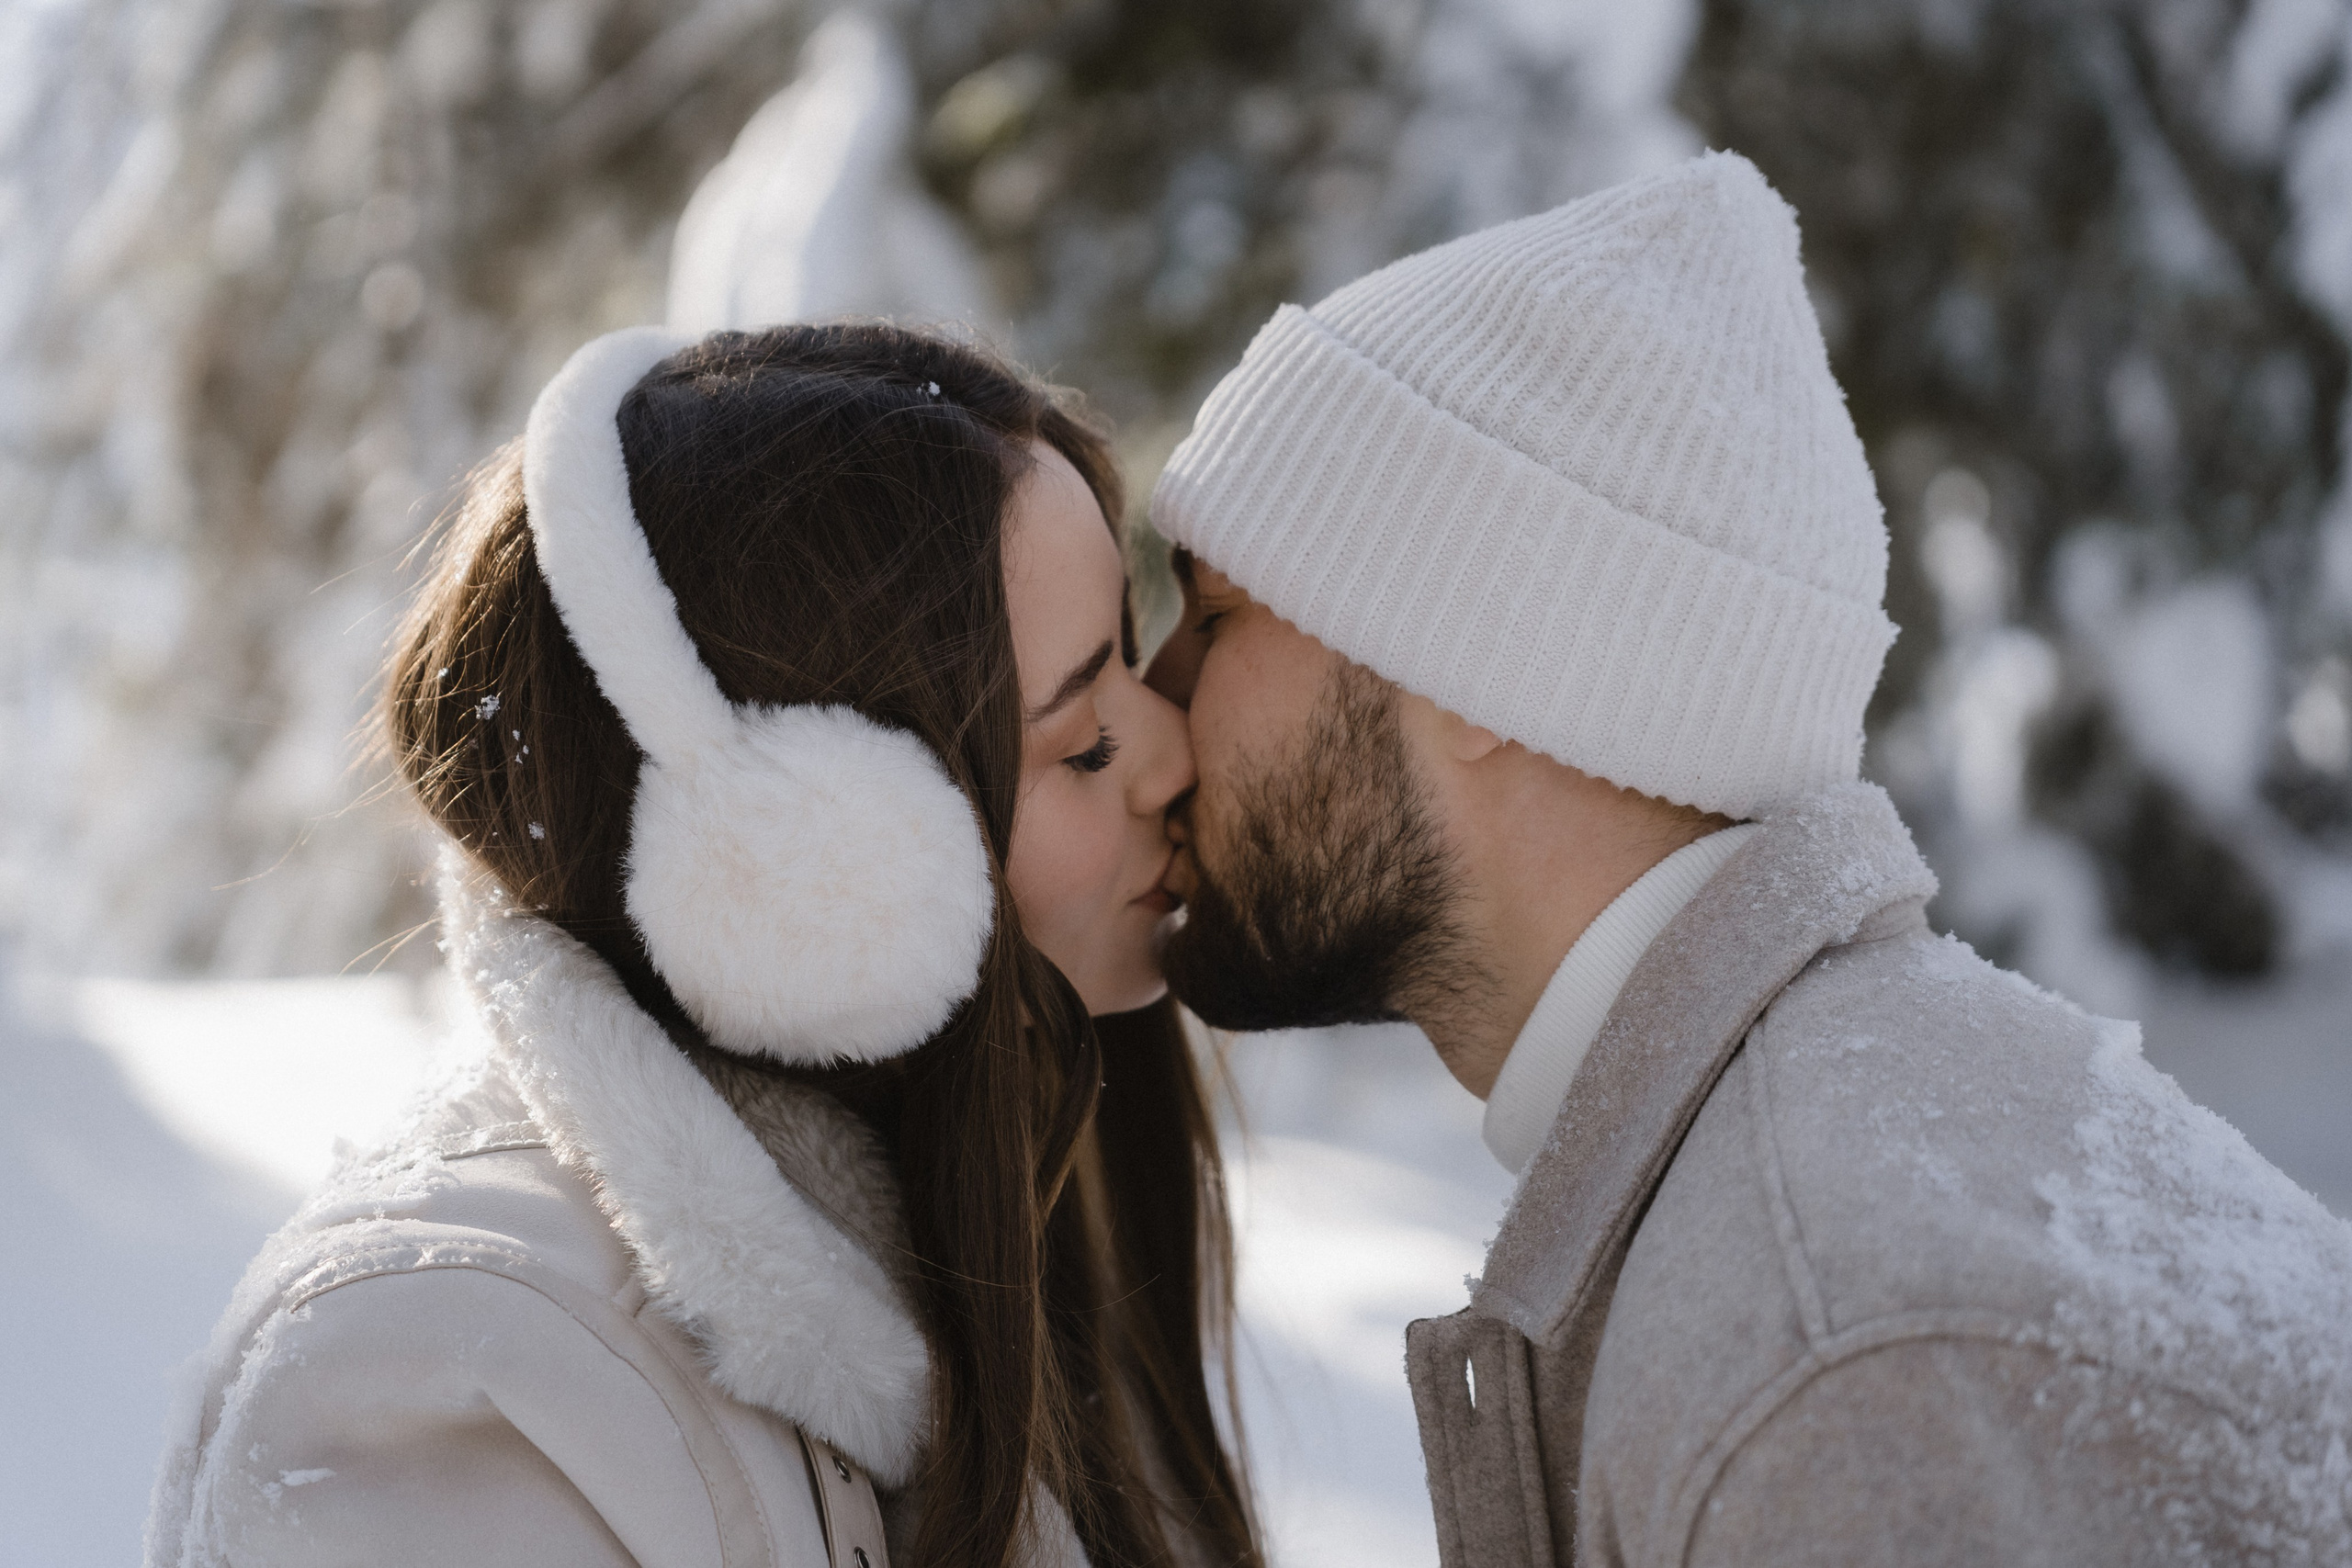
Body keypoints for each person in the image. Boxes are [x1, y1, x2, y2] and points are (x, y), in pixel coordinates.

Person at [1143, 151, 2352, 1567]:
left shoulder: (1843, 1363)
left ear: (1477, 660)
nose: (1152, 705)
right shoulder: (1829, 1205)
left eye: (1216, 610)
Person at [147, 323, 1261, 1568]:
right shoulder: (462, 1381)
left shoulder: (1016, 1191)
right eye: (1084, 743)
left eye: (1129, 651)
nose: (1171, 751)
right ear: (813, 872)